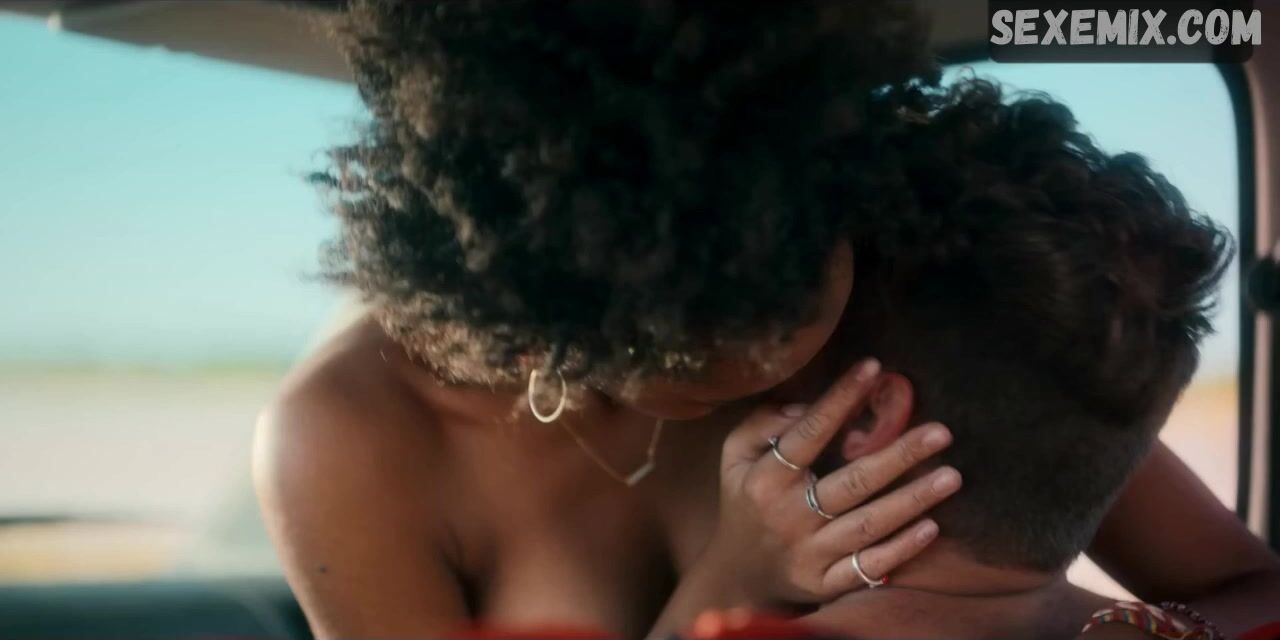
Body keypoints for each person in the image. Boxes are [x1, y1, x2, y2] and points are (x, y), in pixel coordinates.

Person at [253, 1, 1280, 639]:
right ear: (548, 334)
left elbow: (1242, 586)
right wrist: (733, 580)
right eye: (707, 352)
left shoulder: (885, 270)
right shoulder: (351, 442)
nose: (783, 356)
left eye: (810, 290)